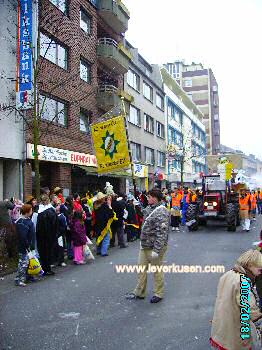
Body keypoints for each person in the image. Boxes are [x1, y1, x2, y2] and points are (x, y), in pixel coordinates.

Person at [210, 250, 262, 350]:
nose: (260, 274)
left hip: (222, 326)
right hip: (236, 331)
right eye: (260, 270)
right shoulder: (243, 283)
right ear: (250, 265)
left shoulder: (228, 274)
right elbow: (249, 310)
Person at [126, 188, 170, 303]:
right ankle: (140, 292)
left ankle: (158, 293)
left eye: (149, 197)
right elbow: (145, 215)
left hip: (155, 246)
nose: (148, 198)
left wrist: (157, 250)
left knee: (157, 270)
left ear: (155, 198)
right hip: (145, 244)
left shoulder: (162, 211)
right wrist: (136, 206)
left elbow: (162, 232)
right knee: (141, 269)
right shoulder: (150, 207)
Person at [36, 194, 58, 276]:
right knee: (48, 252)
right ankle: (47, 269)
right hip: (49, 236)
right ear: (48, 200)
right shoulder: (51, 211)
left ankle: (43, 268)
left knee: (42, 252)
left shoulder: (39, 210)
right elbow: (55, 224)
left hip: (40, 236)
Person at [15, 204, 35, 287]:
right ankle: (19, 279)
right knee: (23, 263)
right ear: (27, 212)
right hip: (24, 247)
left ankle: (27, 277)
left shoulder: (25, 220)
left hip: (27, 245)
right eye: (31, 210)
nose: (32, 211)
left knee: (27, 262)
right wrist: (27, 246)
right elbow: (23, 236)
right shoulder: (22, 222)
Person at [93, 192, 114, 257]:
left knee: (99, 237)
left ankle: (98, 250)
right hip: (104, 224)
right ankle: (103, 252)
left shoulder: (95, 205)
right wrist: (110, 205)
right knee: (106, 238)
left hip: (97, 224)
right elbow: (111, 214)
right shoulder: (105, 205)